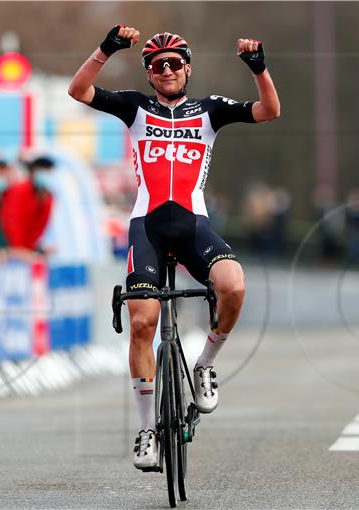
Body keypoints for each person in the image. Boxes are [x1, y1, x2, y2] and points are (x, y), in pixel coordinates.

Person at [68, 26, 280, 470]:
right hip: (147, 225)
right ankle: (146, 430)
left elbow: (269, 110)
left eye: (174, 63)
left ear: (188, 68)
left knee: (233, 286)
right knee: (143, 322)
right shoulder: (134, 107)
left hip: (192, 224)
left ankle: (203, 364)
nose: (166, 70)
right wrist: (106, 49)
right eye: (157, 65)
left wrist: (258, 69)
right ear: (149, 73)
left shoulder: (210, 110)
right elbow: (79, 89)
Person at [0, 156, 55, 257]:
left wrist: (34, 248)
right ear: (33, 171)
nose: (45, 174)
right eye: (42, 170)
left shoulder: (48, 196)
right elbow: (10, 220)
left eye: (48, 171)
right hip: (14, 251)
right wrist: (18, 248)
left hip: (28, 252)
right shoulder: (18, 190)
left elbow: (41, 225)